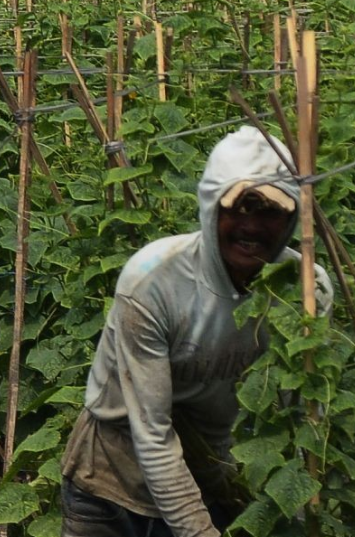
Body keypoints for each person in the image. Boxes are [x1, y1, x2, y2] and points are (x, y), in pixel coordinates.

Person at [60, 126, 333, 537]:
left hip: (215, 481)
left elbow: (302, 416)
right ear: (210, 209)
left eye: (272, 212)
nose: (253, 226)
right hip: (113, 480)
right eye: (239, 208)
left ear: (294, 216)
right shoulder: (154, 280)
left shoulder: (307, 292)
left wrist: (291, 511)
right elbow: (151, 432)